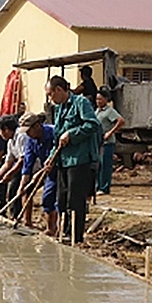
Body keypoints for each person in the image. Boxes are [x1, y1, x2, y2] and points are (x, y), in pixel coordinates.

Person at [46, 75, 101, 244]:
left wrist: (71, 134)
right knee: (61, 199)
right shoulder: (59, 109)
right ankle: (64, 232)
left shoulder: (81, 103)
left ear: (59, 90)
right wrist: (50, 159)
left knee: (75, 200)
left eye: (51, 94)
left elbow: (92, 125)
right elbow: (57, 137)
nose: (50, 98)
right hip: (63, 160)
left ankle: (76, 237)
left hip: (79, 159)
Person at [18, 112, 58, 236]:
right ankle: (46, 227)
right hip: (47, 170)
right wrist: (22, 185)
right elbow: (27, 164)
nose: (27, 134)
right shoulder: (31, 140)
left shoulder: (53, 133)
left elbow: (57, 155)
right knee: (42, 196)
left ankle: (56, 229)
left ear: (37, 126)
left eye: (28, 130)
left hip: (61, 168)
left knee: (54, 199)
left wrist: (39, 174)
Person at [95, 89, 126, 195]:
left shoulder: (109, 111)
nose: (98, 101)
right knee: (98, 165)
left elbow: (121, 121)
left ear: (106, 99)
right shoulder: (97, 111)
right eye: (97, 99)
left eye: (100, 99)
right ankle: (97, 186)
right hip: (99, 142)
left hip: (108, 142)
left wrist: (110, 132)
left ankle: (104, 188)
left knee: (105, 165)